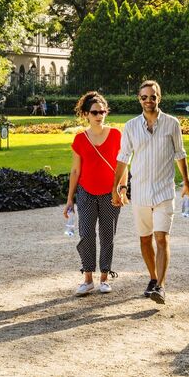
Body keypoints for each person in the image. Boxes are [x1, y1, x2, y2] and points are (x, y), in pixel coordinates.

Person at [112, 80, 189, 305]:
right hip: (139, 192)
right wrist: (117, 187)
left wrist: (187, 182)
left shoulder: (171, 124)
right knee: (145, 239)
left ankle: (160, 286)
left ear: (160, 97)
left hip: (164, 192)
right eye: (144, 97)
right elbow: (123, 158)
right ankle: (152, 277)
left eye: (153, 96)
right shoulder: (130, 127)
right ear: (139, 99)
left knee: (161, 238)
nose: (148, 101)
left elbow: (180, 154)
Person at [64, 92, 122, 296]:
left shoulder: (116, 135)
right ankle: (88, 278)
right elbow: (75, 171)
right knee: (86, 234)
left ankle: (104, 277)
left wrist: (121, 189)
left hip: (110, 194)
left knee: (108, 236)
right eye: (95, 112)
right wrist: (70, 198)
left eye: (103, 111)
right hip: (86, 193)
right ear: (86, 114)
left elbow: (122, 166)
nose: (99, 115)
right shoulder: (80, 139)